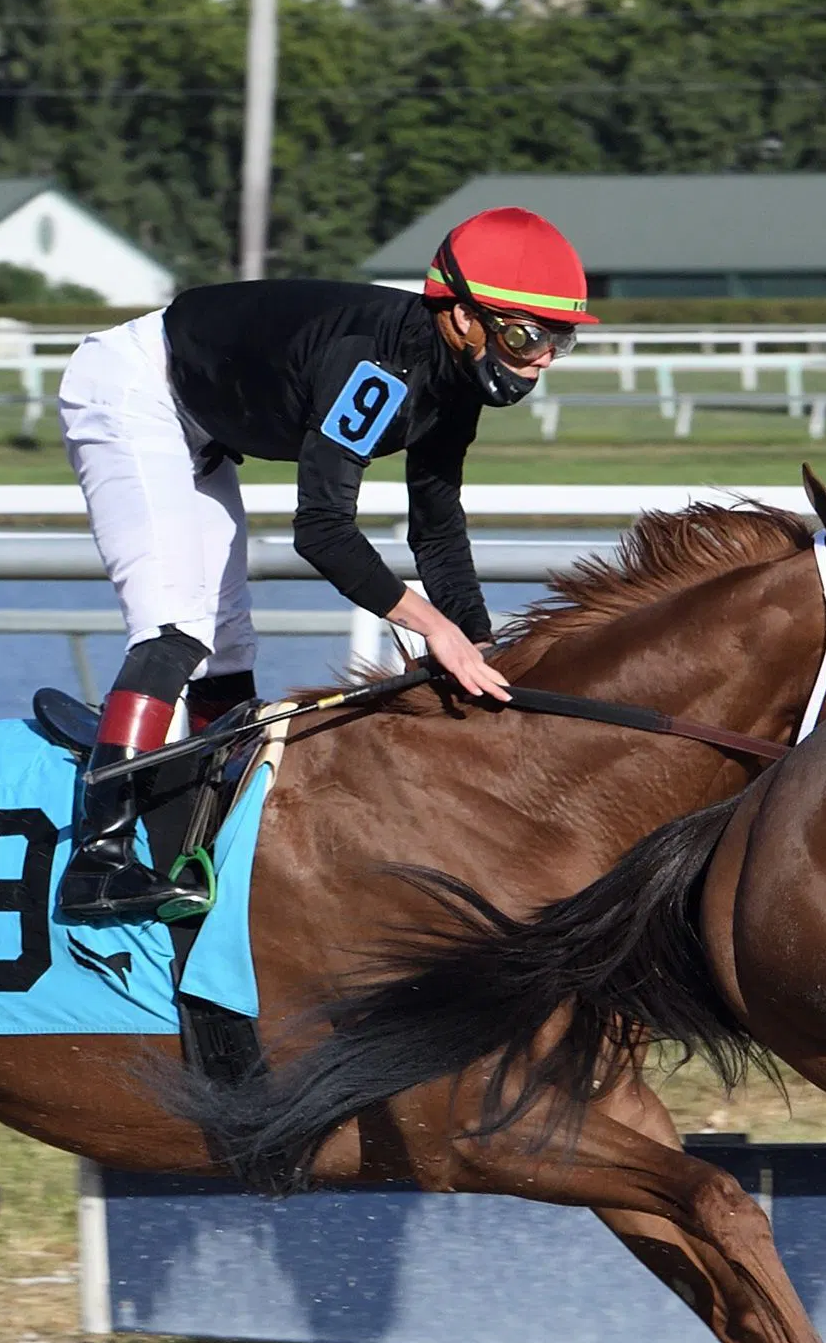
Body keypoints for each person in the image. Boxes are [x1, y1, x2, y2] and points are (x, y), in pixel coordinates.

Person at [49, 207, 592, 924]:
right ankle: (97, 864)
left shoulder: (453, 374)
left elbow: (436, 527)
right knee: (176, 630)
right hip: (137, 391)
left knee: (230, 643)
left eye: (560, 339)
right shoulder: (378, 367)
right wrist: (434, 627)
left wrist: (479, 641)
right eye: (527, 335)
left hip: (205, 414)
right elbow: (322, 530)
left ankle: (205, 825)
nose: (544, 357)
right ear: (462, 317)